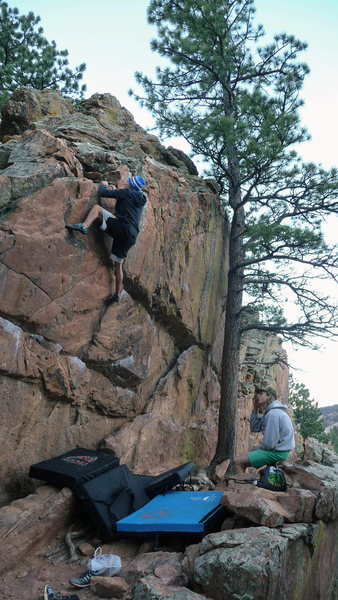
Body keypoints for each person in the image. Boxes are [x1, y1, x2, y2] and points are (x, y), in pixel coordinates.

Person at [66, 175, 147, 303]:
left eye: (128, 180)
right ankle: (117, 295)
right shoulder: (139, 200)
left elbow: (103, 193)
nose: (126, 181)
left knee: (97, 209)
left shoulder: (126, 192)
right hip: (131, 236)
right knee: (118, 264)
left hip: (123, 227)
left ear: (130, 184)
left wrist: (104, 183)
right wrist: (116, 192)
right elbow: (126, 206)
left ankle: (84, 226)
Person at [232, 387, 295, 475]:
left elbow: (270, 444)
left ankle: (240, 486)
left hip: (277, 453)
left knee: (237, 462)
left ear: (269, 396)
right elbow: (255, 427)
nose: (257, 395)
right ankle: (244, 482)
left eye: (261, 394)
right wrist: (255, 409)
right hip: (279, 451)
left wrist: (257, 449)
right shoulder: (272, 412)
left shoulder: (273, 414)